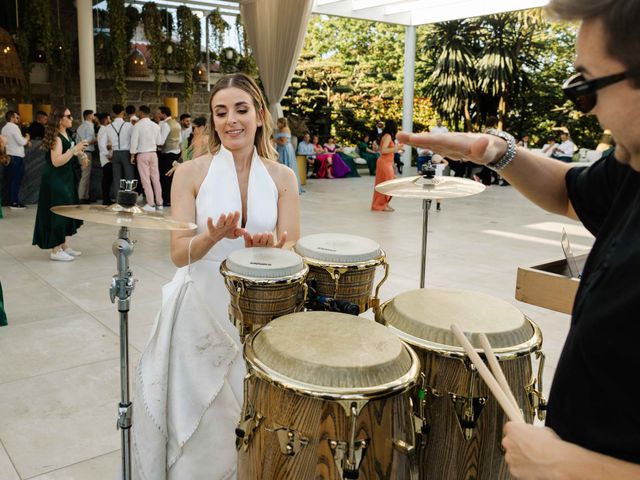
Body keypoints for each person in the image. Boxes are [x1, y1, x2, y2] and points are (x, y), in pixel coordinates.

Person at [398, 0, 640, 476]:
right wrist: (497, 153)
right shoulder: (632, 167)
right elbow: (572, 193)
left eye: (584, 86)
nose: (584, 109)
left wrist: (571, 465)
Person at [132, 72, 300, 480]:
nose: (231, 120)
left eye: (241, 110)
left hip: (260, 308)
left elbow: (293, 246)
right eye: (221, 112)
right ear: (211, 120)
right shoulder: (191, 172)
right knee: (204, 422)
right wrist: (212, 236)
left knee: (253, 413)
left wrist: (272, 249)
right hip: (200, 305)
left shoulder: (283, 177)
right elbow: (178, 254)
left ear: (259, 115)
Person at [32, 107, 88, 261]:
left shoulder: (68, 133)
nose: (72, 118)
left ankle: (63, 245)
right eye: (69, 116)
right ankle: (55, 250)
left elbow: (71, 151)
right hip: (55, 179)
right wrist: (74, 150)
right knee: (58, 212)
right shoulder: (56, 137)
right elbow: (56, 162)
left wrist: (81, 155)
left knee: (66, 211)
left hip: (66, 178)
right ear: (59, 119)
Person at [130, 105, 162, 212]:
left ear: (141, 113)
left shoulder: (137, 126)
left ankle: (151, 204)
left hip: (142, 154)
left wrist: (132, 155)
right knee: (156, 179)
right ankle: (159, 203)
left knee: (146, 180)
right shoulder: (156, 126)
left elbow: (134, 142)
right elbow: (159, 142)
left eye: (138, 112)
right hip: (153, 153)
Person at [101, 104, 134, 198]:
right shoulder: (128, 125)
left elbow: (102, 143)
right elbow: (133, 140)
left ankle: (118, 200)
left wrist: (106, 154)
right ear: (123, 112)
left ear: (113, 113)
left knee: (117, 178)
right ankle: (129, 199)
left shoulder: (108, 127)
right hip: (126, 153)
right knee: (129, 177)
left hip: (115, 153)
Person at [1, 110, 30, 209]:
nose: (18, 119)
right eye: (17, 117)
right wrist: (27, 138)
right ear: (12, 118)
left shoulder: (4, 128)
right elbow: (21, 142)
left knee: (10, 180)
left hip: (8, 156)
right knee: (16, 180)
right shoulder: (14, 127)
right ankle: (14, 202)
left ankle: (10, 201)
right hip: (16, 157)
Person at [371, 119, 402, 212]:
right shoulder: (388, 136)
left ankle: (383, 204)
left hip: (386, 162)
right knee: (387, 184)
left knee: (385, 183)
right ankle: (381, 205)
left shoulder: (386, 136)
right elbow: (383, 151)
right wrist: (396, 148)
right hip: (384, 163)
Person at [158, 106, 181, 206]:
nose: (158, 115)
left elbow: (161, 141)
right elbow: (180, 140)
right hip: (176, 152)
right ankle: (173, 199)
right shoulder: (177, 124)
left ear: (163, 113)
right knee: (173, 178)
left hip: (167, 153)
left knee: (165, 177)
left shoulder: (165, 125)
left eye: (159, 113)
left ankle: (166, 199)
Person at [274, 117, 303, 193]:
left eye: (278, 123)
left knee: (285, 166)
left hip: (285, 150)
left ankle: (289, 187)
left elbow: (283, 142)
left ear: (282, 123)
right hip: (281, 149)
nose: (277, 124)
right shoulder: (280, 130)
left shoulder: (285, 129)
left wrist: (274, 140)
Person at [75, 109, 97, 203]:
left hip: (80, 152)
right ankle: (81, 197)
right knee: (85, 175)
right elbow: (88, 140)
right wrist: (95, 139)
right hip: (86, 152)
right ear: (89, 116)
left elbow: (77, 140)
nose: (94, 117)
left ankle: (85, 196)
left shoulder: (80, 127)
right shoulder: (89, 126)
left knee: (85, 175)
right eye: (93, 115)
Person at [96, 113, 114, 205]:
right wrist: (108, 153)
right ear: (105, 119)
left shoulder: (103, 129)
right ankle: (106, 199)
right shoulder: (104, 130)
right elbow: (102, 145)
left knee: (108, 179)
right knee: (107, 179)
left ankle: (107, 198)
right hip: (107, 158)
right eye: (109, 118)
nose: (110, 120)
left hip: (107, 156)